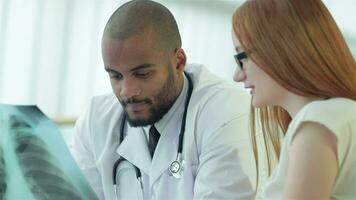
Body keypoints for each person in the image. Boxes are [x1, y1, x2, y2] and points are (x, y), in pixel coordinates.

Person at [70, 0, 255, 199]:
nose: (126, 92)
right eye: (115, 76)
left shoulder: (226, 113)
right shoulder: (95, 122)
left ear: (179, 62)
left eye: (142, 74)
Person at [231, 0, 356, 199]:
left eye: (242, 57)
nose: (237, 75)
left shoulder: (317, 122)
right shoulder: (342, 115)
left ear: (280, 49)